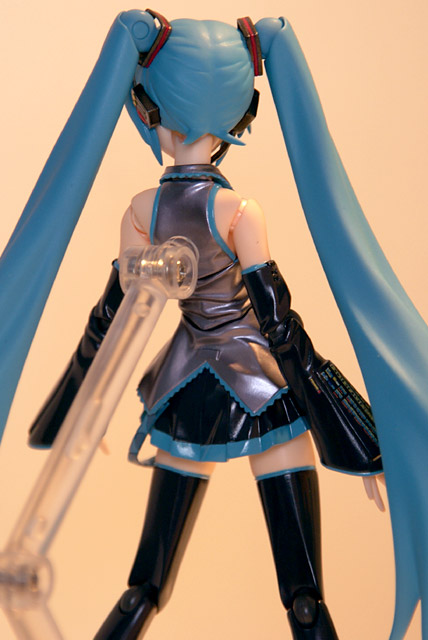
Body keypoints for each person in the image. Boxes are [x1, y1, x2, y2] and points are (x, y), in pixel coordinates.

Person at [0, 10, 427, 640]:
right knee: (304, 597)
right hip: (264, 395)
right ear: (237, 119)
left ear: (151, 112)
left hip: (185, 394)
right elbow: (280, 327)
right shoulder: (239, 212)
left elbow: (110, 320)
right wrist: (358, 437)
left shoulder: (141, 211)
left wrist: (77, 410)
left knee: (144, 588)